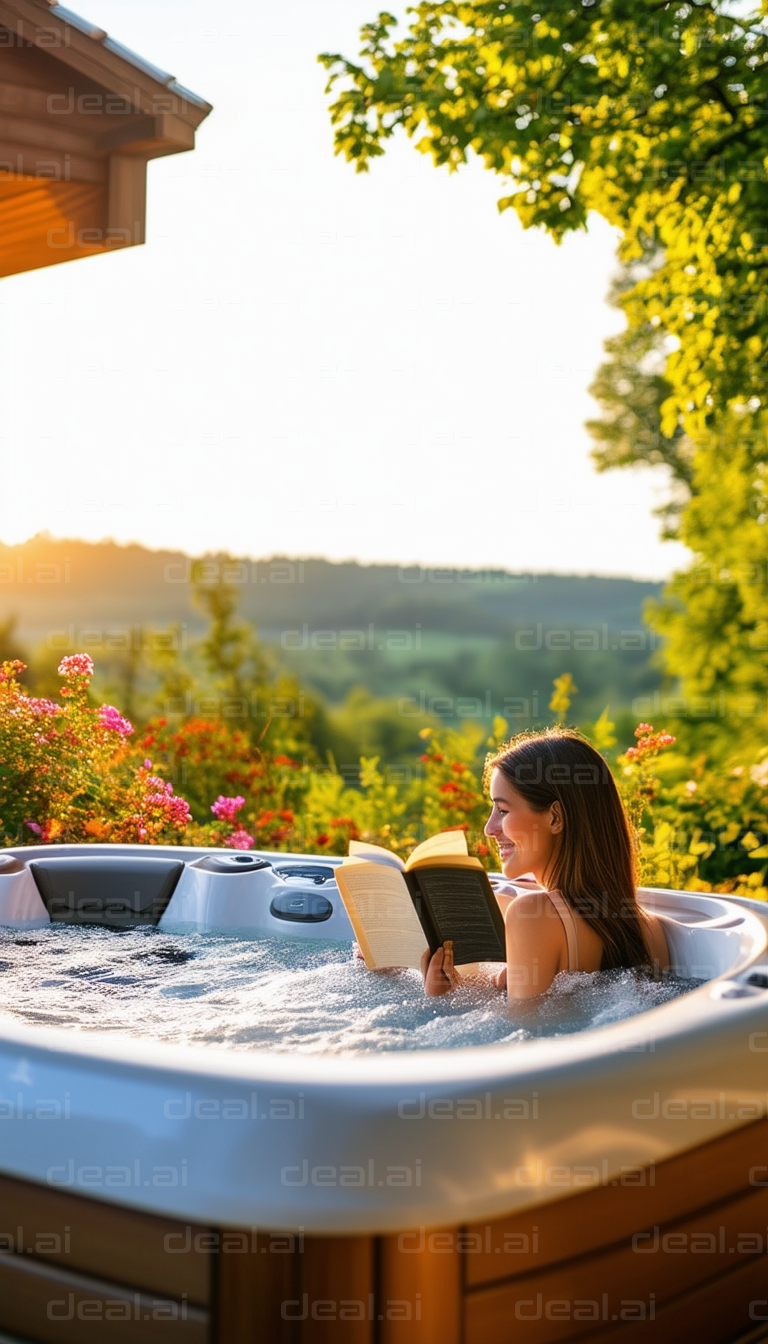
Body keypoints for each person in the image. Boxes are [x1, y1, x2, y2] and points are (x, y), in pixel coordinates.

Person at [421, 727, 670, 999]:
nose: (489, 828)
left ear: (555, 818)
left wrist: (445, 998)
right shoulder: (649, 926)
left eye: (503, 810)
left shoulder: (531, 914)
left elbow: (521, 1037)